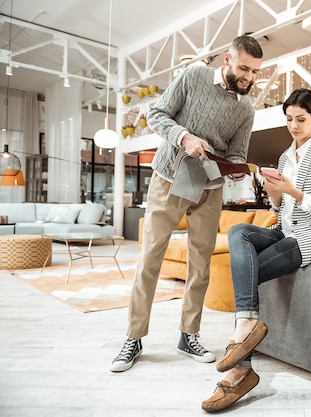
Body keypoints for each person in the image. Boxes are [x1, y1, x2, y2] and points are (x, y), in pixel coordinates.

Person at [110, 35, 263, 373]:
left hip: (210, 187)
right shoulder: (193, 76)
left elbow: (236, 151)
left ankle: (188, 335)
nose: (249, 77)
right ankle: (134, 338)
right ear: (227, 59)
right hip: (169, 178)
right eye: (243, 68)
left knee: (200, 263)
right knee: (150, 258)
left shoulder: (246, 109)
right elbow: (156, 114)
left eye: (254, 72)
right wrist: (184, 137)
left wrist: (236, 170)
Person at [201, 88, 311, 412]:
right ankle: (247, 328)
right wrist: (277, 194)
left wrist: (294, 190)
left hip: (309, 238)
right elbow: (282, 210)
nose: (293, 125)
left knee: (246, 272)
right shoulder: (284, 157)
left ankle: (239, 370)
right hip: (285, 231)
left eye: (301, 119)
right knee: (239, 232)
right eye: (289, 119)